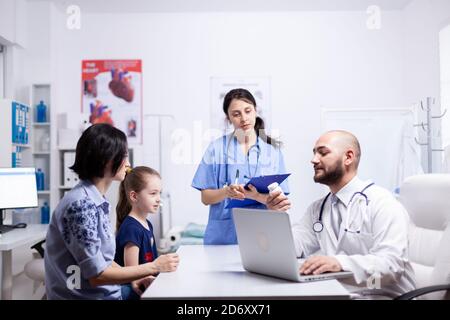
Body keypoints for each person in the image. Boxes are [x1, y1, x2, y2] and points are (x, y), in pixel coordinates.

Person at [266, 130, 415, 296]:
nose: (314, 160)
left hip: (383, 295)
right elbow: (294, 247)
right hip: (340, 293)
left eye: (323, 153)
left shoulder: (382, 203)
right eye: (314, 153)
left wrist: (338, 263)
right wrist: (276, 216)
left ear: (348, 157)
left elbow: (391, 267)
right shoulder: (318, 209)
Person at [44, 124, 179, 299]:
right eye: (123, 156)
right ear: (105, 159)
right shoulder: (81, 206)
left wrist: (137, 276)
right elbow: (97, 275)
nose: (128, 163)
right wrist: (154, 267)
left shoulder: (96, 201)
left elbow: (102, 260)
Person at [192, 88, 290, 245]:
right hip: (224, 235)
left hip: (263, 232)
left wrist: (257, 196)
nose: (244, 118)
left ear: (255, 111)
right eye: (236, 114)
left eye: (248, 111)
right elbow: (205, 198)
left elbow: (280, 200)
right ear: (229, 118)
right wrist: (226, 192)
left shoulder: (272, 151)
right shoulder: (216, 149)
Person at [115, 166, 175, 300]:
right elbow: (133, 274)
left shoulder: (147, 225)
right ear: (134, 196)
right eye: (153, 193)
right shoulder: (131, 228)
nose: (159, 198)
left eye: (159, 193)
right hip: (131, 290)